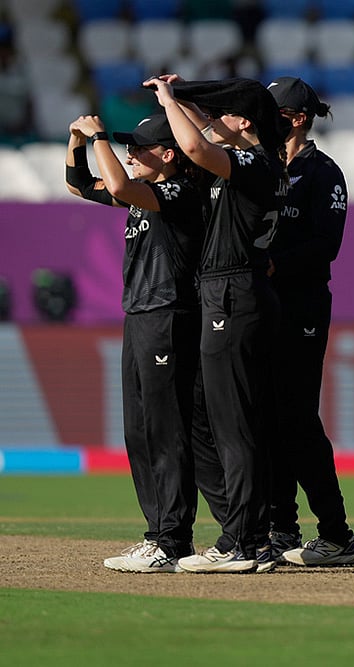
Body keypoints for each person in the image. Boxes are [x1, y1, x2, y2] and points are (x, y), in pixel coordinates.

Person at [144, 75, 286, 573]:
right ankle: (250, 537)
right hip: (230, 292)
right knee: (221, 420)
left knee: (235, 425)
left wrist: (168, 101)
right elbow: (204, 132)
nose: (214, 120)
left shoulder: (255, 161)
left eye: (225, 114)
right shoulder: (257, 161)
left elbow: (194, 146)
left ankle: (245, 542)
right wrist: (186, 100)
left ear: (244, 121)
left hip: (234, 292)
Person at [65, 113, 209, 572]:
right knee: (140, 430)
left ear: (169, 154)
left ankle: (173, 539)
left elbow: (121, 187)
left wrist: (101, 138)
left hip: (170, 312)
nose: (131, 153)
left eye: (141, 147)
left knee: (166, 430)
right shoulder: (146, 196)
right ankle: (159, 535)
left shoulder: (180, 192)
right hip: (142, 315)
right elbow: (77, 184)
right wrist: (76, 142)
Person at [262, 76, 354, 566]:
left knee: (296, 418)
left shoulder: (323, 172)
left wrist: (276, 264)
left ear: (298, 118)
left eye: (272, 113)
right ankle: (280, 527)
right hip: (259, 304)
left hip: (300, 304)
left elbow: (328, 244)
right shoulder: (258, 165)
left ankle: (337, 534)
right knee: (266, 418)